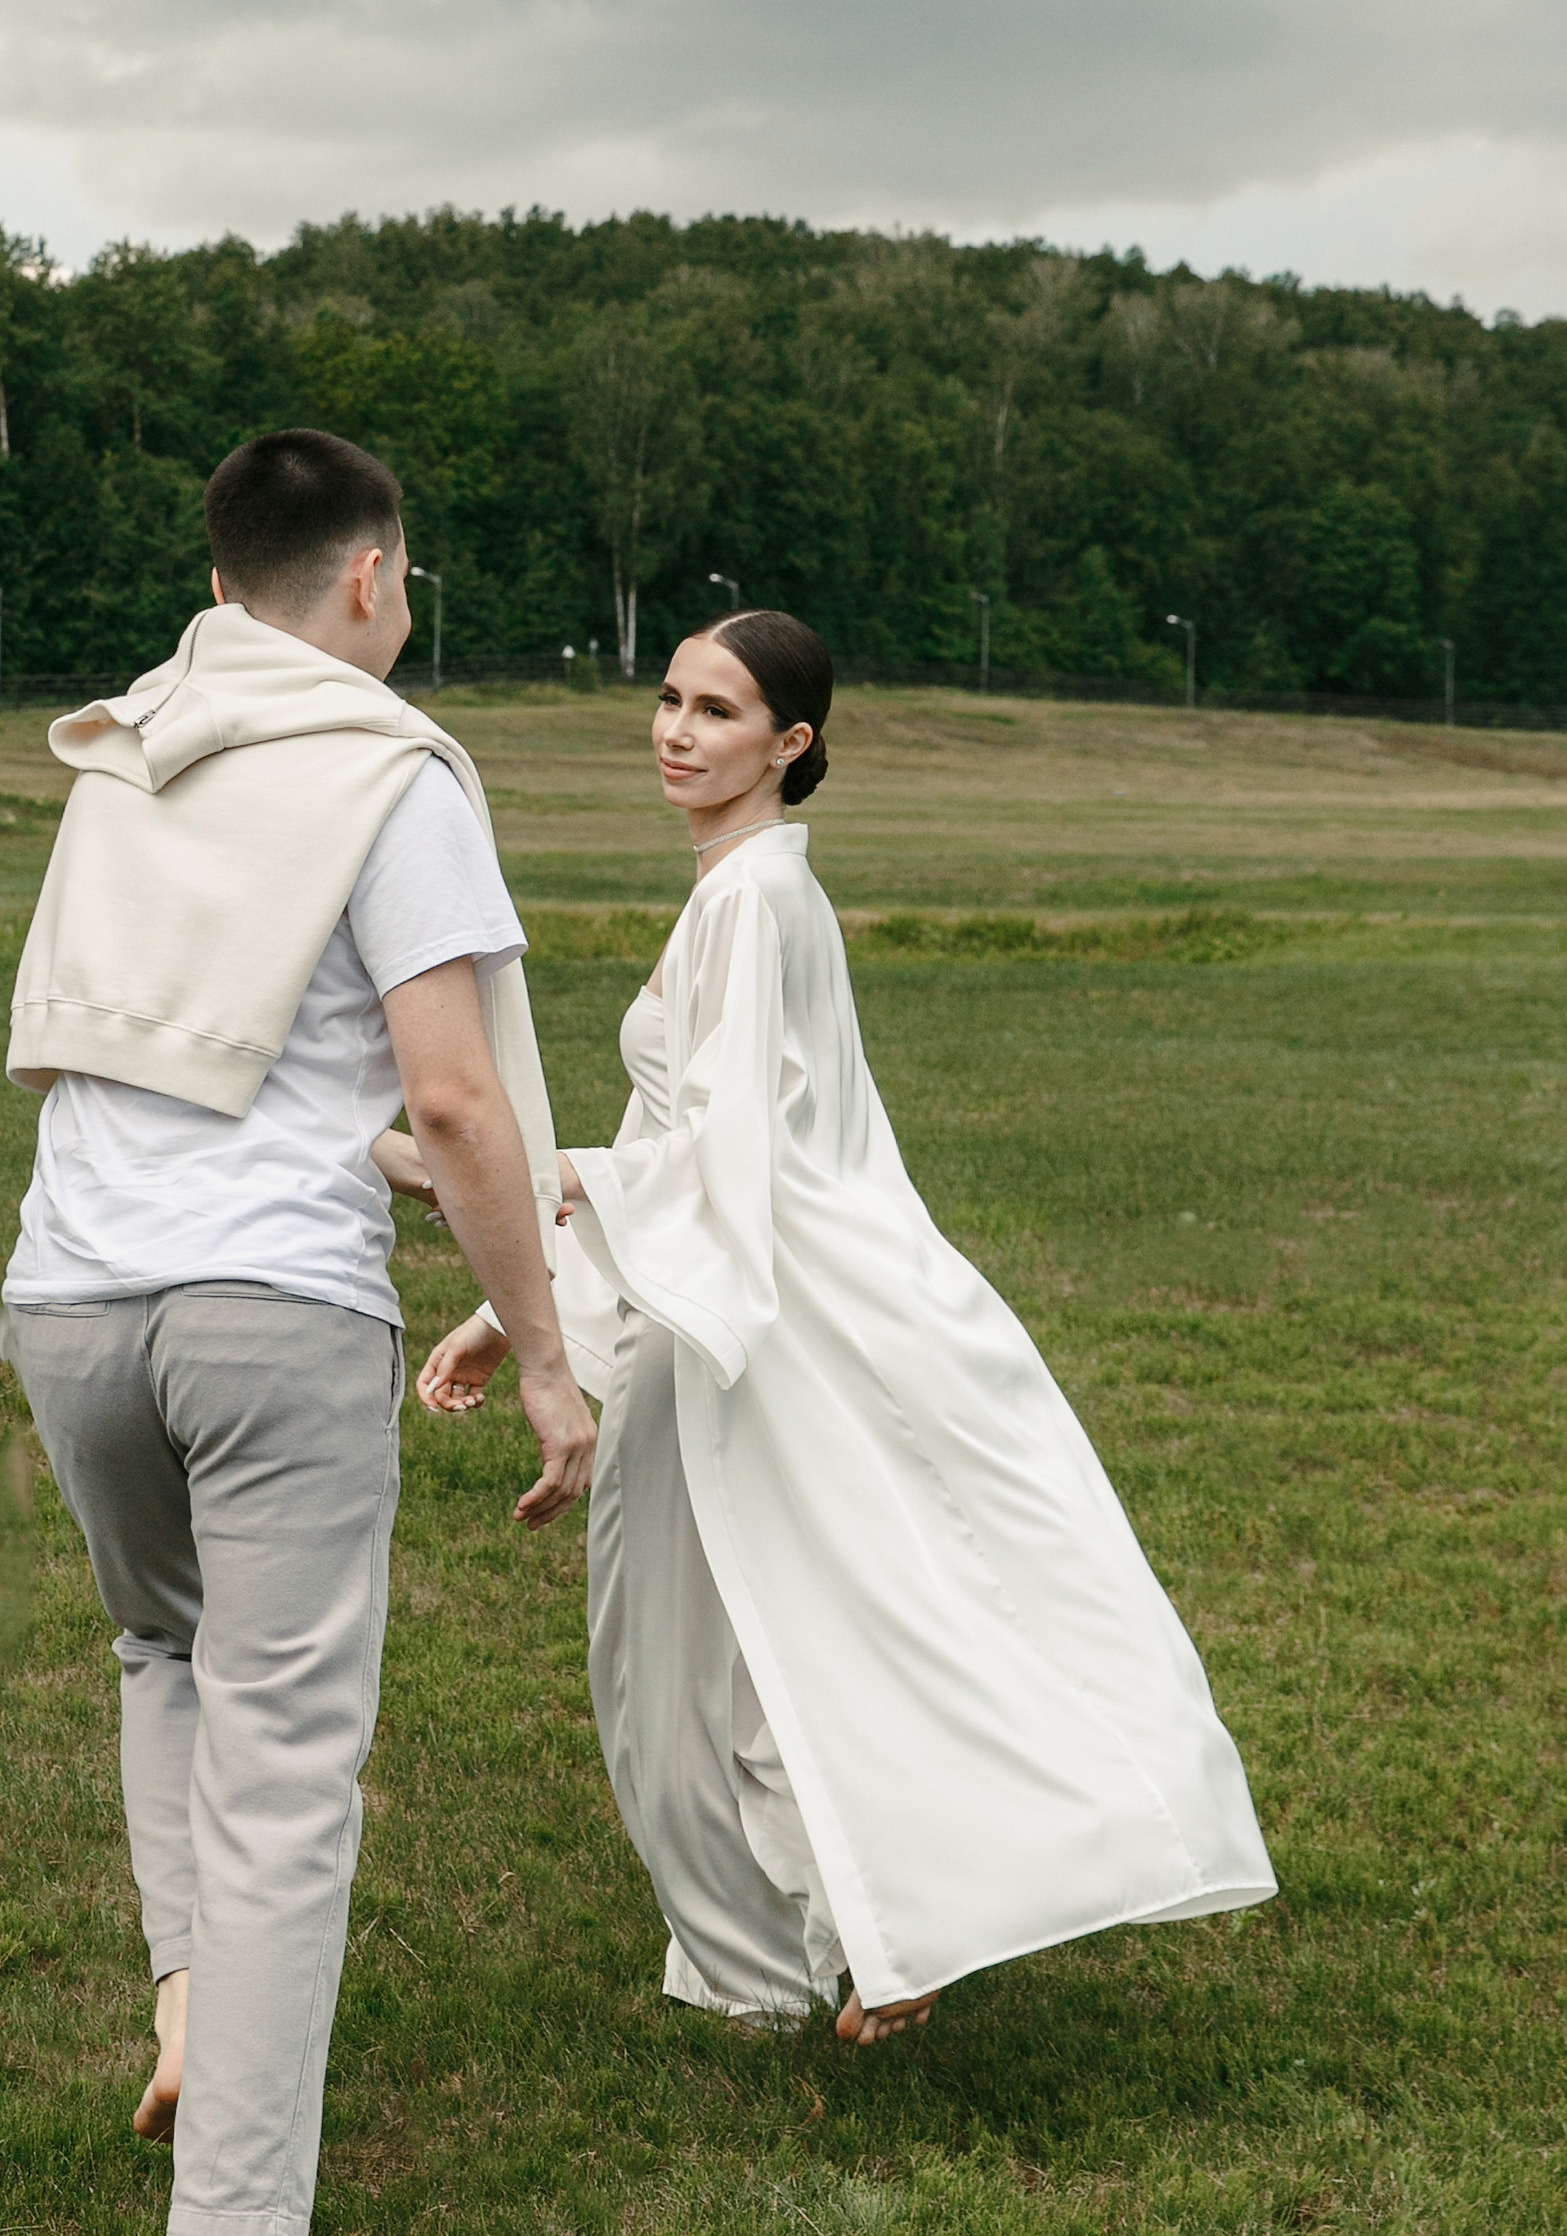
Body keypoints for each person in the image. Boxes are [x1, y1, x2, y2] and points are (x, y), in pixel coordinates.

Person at [416, 611, 1275, 2043]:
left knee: (695, 1654)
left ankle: (854, 1934)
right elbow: (680, 1133)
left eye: (719, 711)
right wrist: (515, 1306)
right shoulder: (742, 888)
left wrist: (532, 1185)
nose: (677, 731)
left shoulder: (753, 901)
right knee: (741, 1641)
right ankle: (827, 1939)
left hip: (754, 1326)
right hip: (723, 1302)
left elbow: (732, 1155)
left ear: (790, 742)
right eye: (671, 699)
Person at [0, 430, 595, 2236]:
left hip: (68, 1301)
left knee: (163, 1653)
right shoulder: (389, 772)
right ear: (367, 578)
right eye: (403, 578)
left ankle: (195, 1998)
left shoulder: (128, 751)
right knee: (286, 1764)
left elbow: (177, 1052)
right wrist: (550, 1353)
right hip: (271, 1317)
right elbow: (456, 1097)